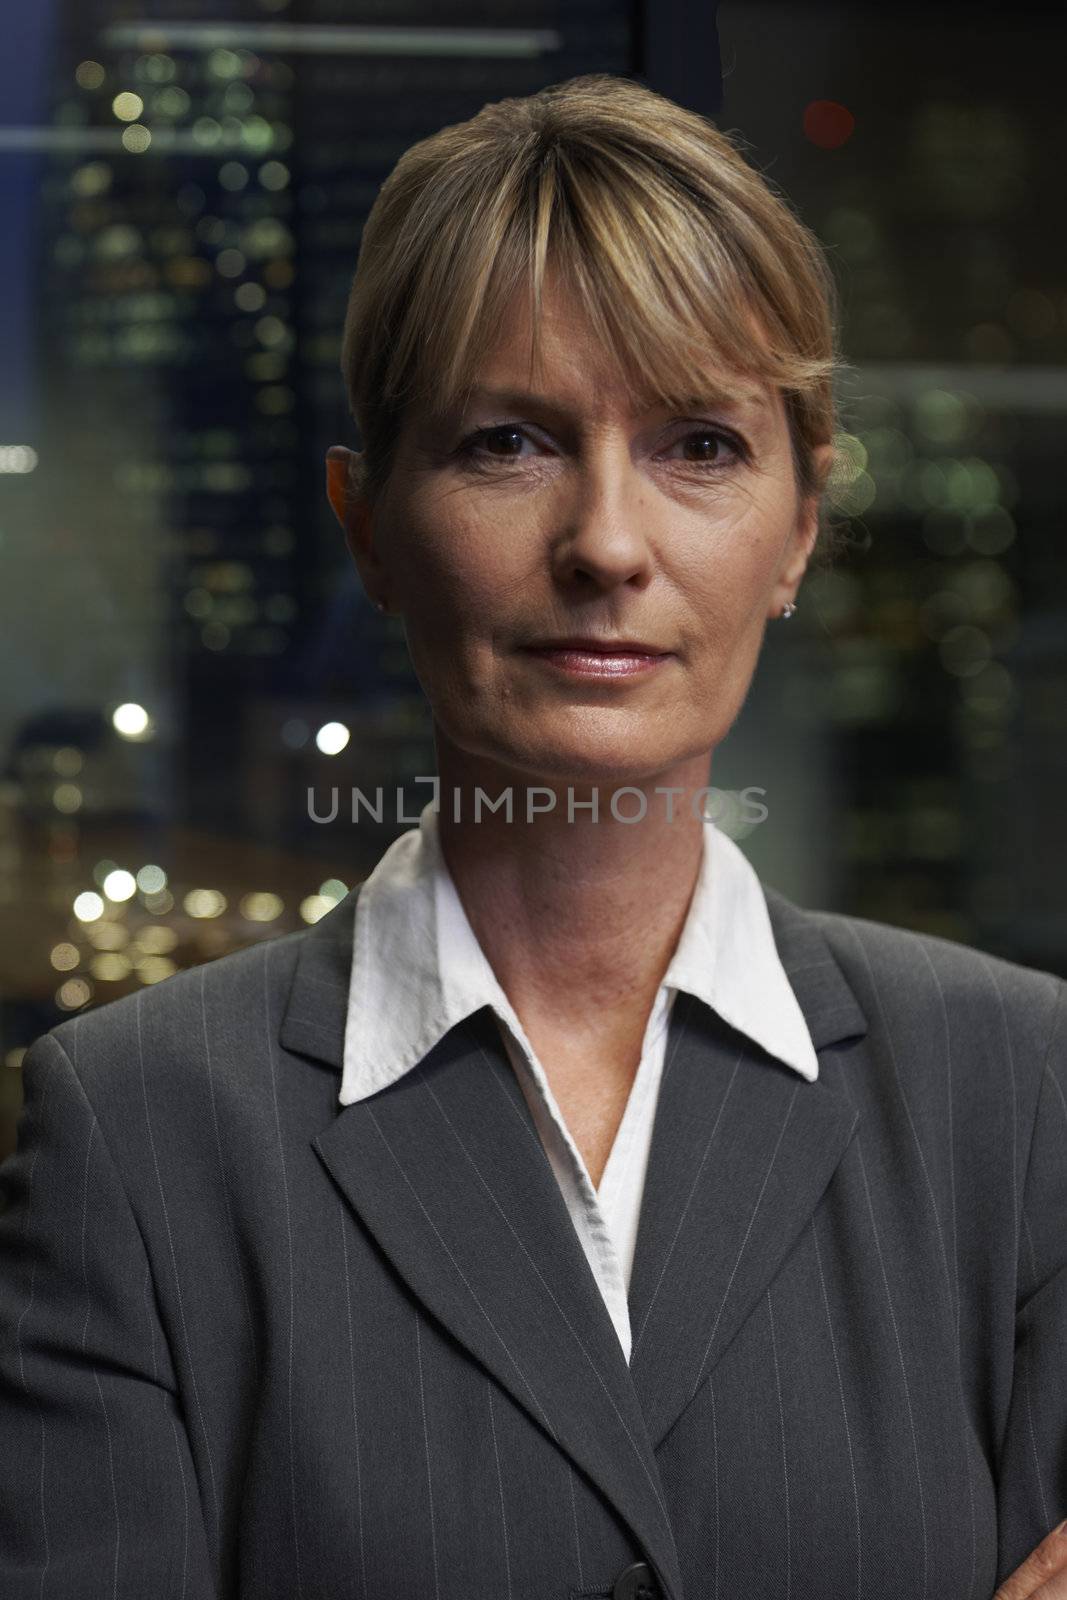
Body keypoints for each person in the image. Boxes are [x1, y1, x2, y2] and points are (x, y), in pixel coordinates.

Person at [1, 71, 1065, 1600]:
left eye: (701, 445)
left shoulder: (1025, 1096)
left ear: (803, 525)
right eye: (508, 442)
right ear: (367, 524)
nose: (609, 545)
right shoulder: (140, 1131)